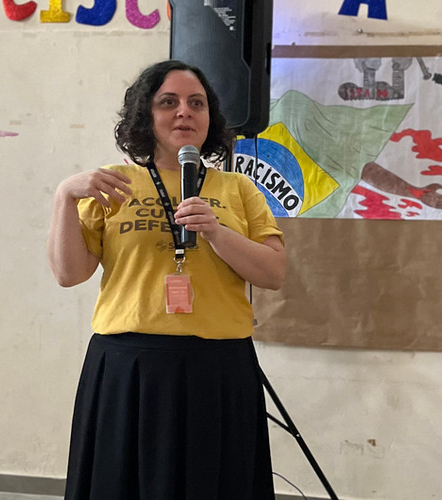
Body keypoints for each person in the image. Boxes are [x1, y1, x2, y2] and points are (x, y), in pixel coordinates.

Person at [47, 59, 286, 500]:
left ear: (210, 117)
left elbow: (272, 274)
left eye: (197, 103)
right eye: (168, 102)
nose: (184, 112)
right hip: (129, 365)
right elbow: (69, 273)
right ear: (146, 114)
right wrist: (64, 197)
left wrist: (216, 231)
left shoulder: (238, 188)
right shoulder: (114, 183)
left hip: (219, 368)